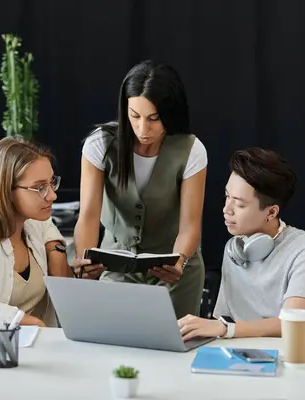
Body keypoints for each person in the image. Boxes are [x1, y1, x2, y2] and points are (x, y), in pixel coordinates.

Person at [74, 60, 208, 319]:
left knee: (171, 351)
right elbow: (88, 216)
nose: (142, 129)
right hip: (117, 265)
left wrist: (178, 261)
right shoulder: (99, 144)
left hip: (175, 272)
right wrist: (84, 257)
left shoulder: (192, 150)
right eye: (134, 116)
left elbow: (190, 226)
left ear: (170, 113)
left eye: (153, 118)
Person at [0, 137, 101, 327]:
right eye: (40, 188)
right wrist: (25, 321)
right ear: (6, 190)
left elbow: (49, 231)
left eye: (51, 182)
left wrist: (57, 254)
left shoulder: (34, 224)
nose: (52, 195)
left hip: (29, 348)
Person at [178, 148, 305, 340]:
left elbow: (291, 323)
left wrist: (224, 328)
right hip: (248, 355)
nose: (226, 209)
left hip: (302, 359)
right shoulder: (235, 248)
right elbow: (224, 318)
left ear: (271, 212)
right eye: (227, 196)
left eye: (239, 204)